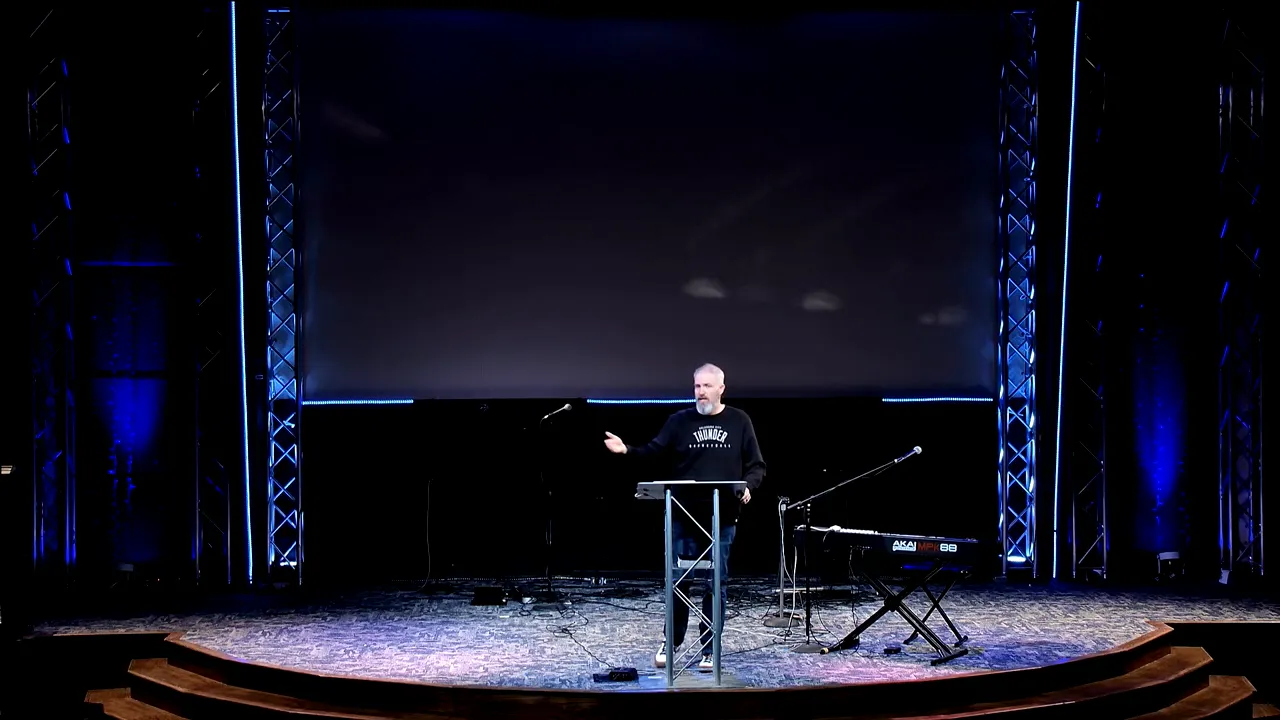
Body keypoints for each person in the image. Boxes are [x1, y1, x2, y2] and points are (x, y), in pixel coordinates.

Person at [603, 363, 766, 671]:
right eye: (696, 386)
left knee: (715, 583)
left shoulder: (739, 420)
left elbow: (756, 465)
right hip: (683, 515)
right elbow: (653, 451)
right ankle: (672, 641)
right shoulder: (678, 421)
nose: (700, 392)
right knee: (679, 581)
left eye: (706, 386)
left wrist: (749, 486)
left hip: (722, 516)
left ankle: (709, 647)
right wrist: (627, 450)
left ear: (721, 388)